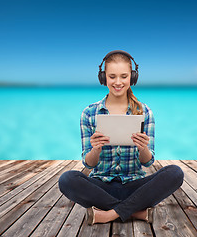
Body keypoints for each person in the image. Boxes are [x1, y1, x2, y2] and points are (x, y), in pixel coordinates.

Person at [58, 50, 184, 225]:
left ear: (132, 77)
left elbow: (147, 163)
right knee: (67, 179)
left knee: (175, 173)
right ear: (104, 78)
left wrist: (143, 148)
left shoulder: (145, 112)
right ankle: (134, 212)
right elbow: (89, 164)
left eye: (124, 76)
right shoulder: (89, 113)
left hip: (135, 186)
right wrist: (95, 149)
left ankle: (109, 214)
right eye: (112, 76)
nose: (118, 82)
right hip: (101, 187)